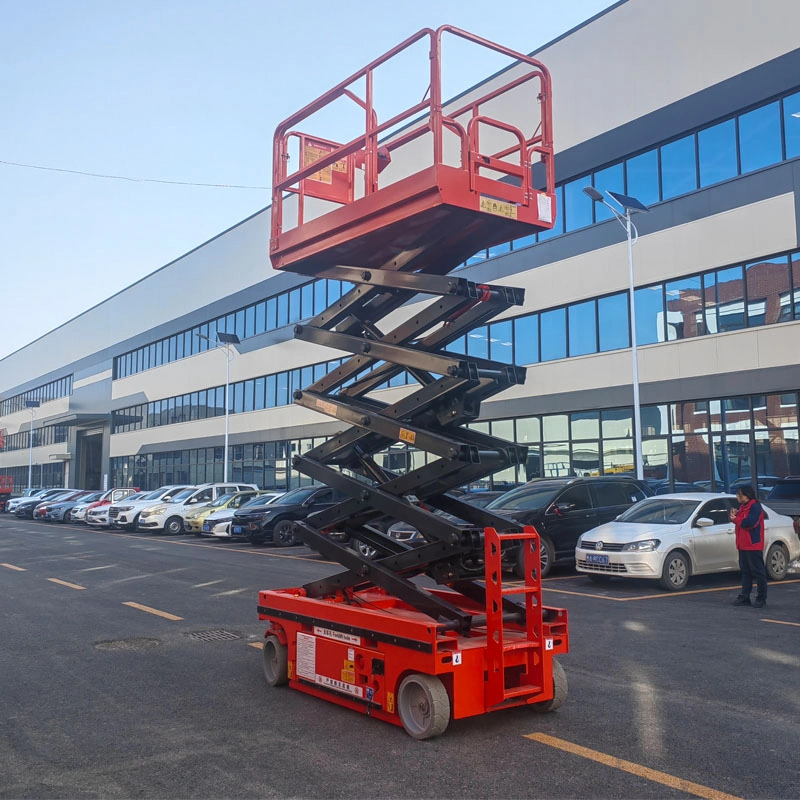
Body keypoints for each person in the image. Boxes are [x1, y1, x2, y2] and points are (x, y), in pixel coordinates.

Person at [729, 484, 767, 607]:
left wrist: (735, 519)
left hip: (753, 545)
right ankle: (745, 596)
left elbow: (749, 523)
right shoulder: (742, 507)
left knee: (758, 572)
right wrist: (734, 516)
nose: (737, 496)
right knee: (746, 572)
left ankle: (761, 597)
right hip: (742, 545)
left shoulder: (755, 507)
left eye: (739, 494)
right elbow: (740, 521)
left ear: (746, 495)